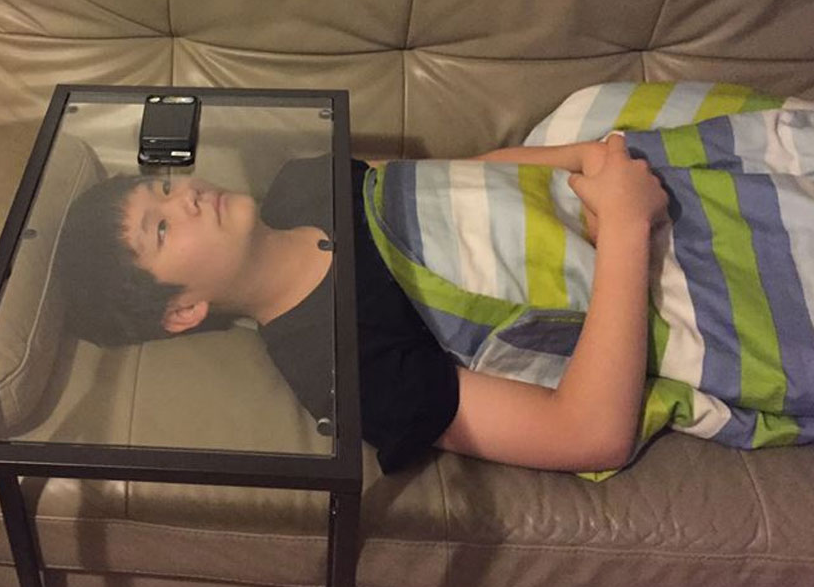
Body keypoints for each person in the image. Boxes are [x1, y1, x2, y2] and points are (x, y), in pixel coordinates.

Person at [56, 135, 669, 474]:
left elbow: (463, 176)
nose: (185, 195)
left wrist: (590, 156)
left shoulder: (303, 180)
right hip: (631, 252)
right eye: (159, 230)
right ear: (182, 311)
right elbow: (586, 432)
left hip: (602, 193)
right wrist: (624, 224)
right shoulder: (340, 367)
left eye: (164, 187)